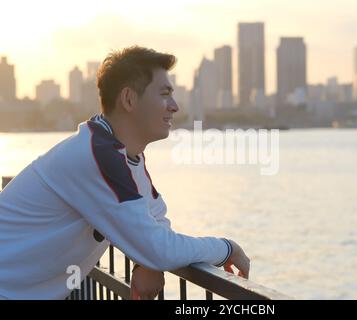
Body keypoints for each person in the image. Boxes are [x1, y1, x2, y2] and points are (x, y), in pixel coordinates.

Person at [0, 46, 250, 300]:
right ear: (129, 99)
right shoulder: (96, 155)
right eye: (165, 94)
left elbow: (156, 223)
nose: (174, 106)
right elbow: (159, 248)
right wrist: (226, 248)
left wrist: (146, 263)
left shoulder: (121, 152)